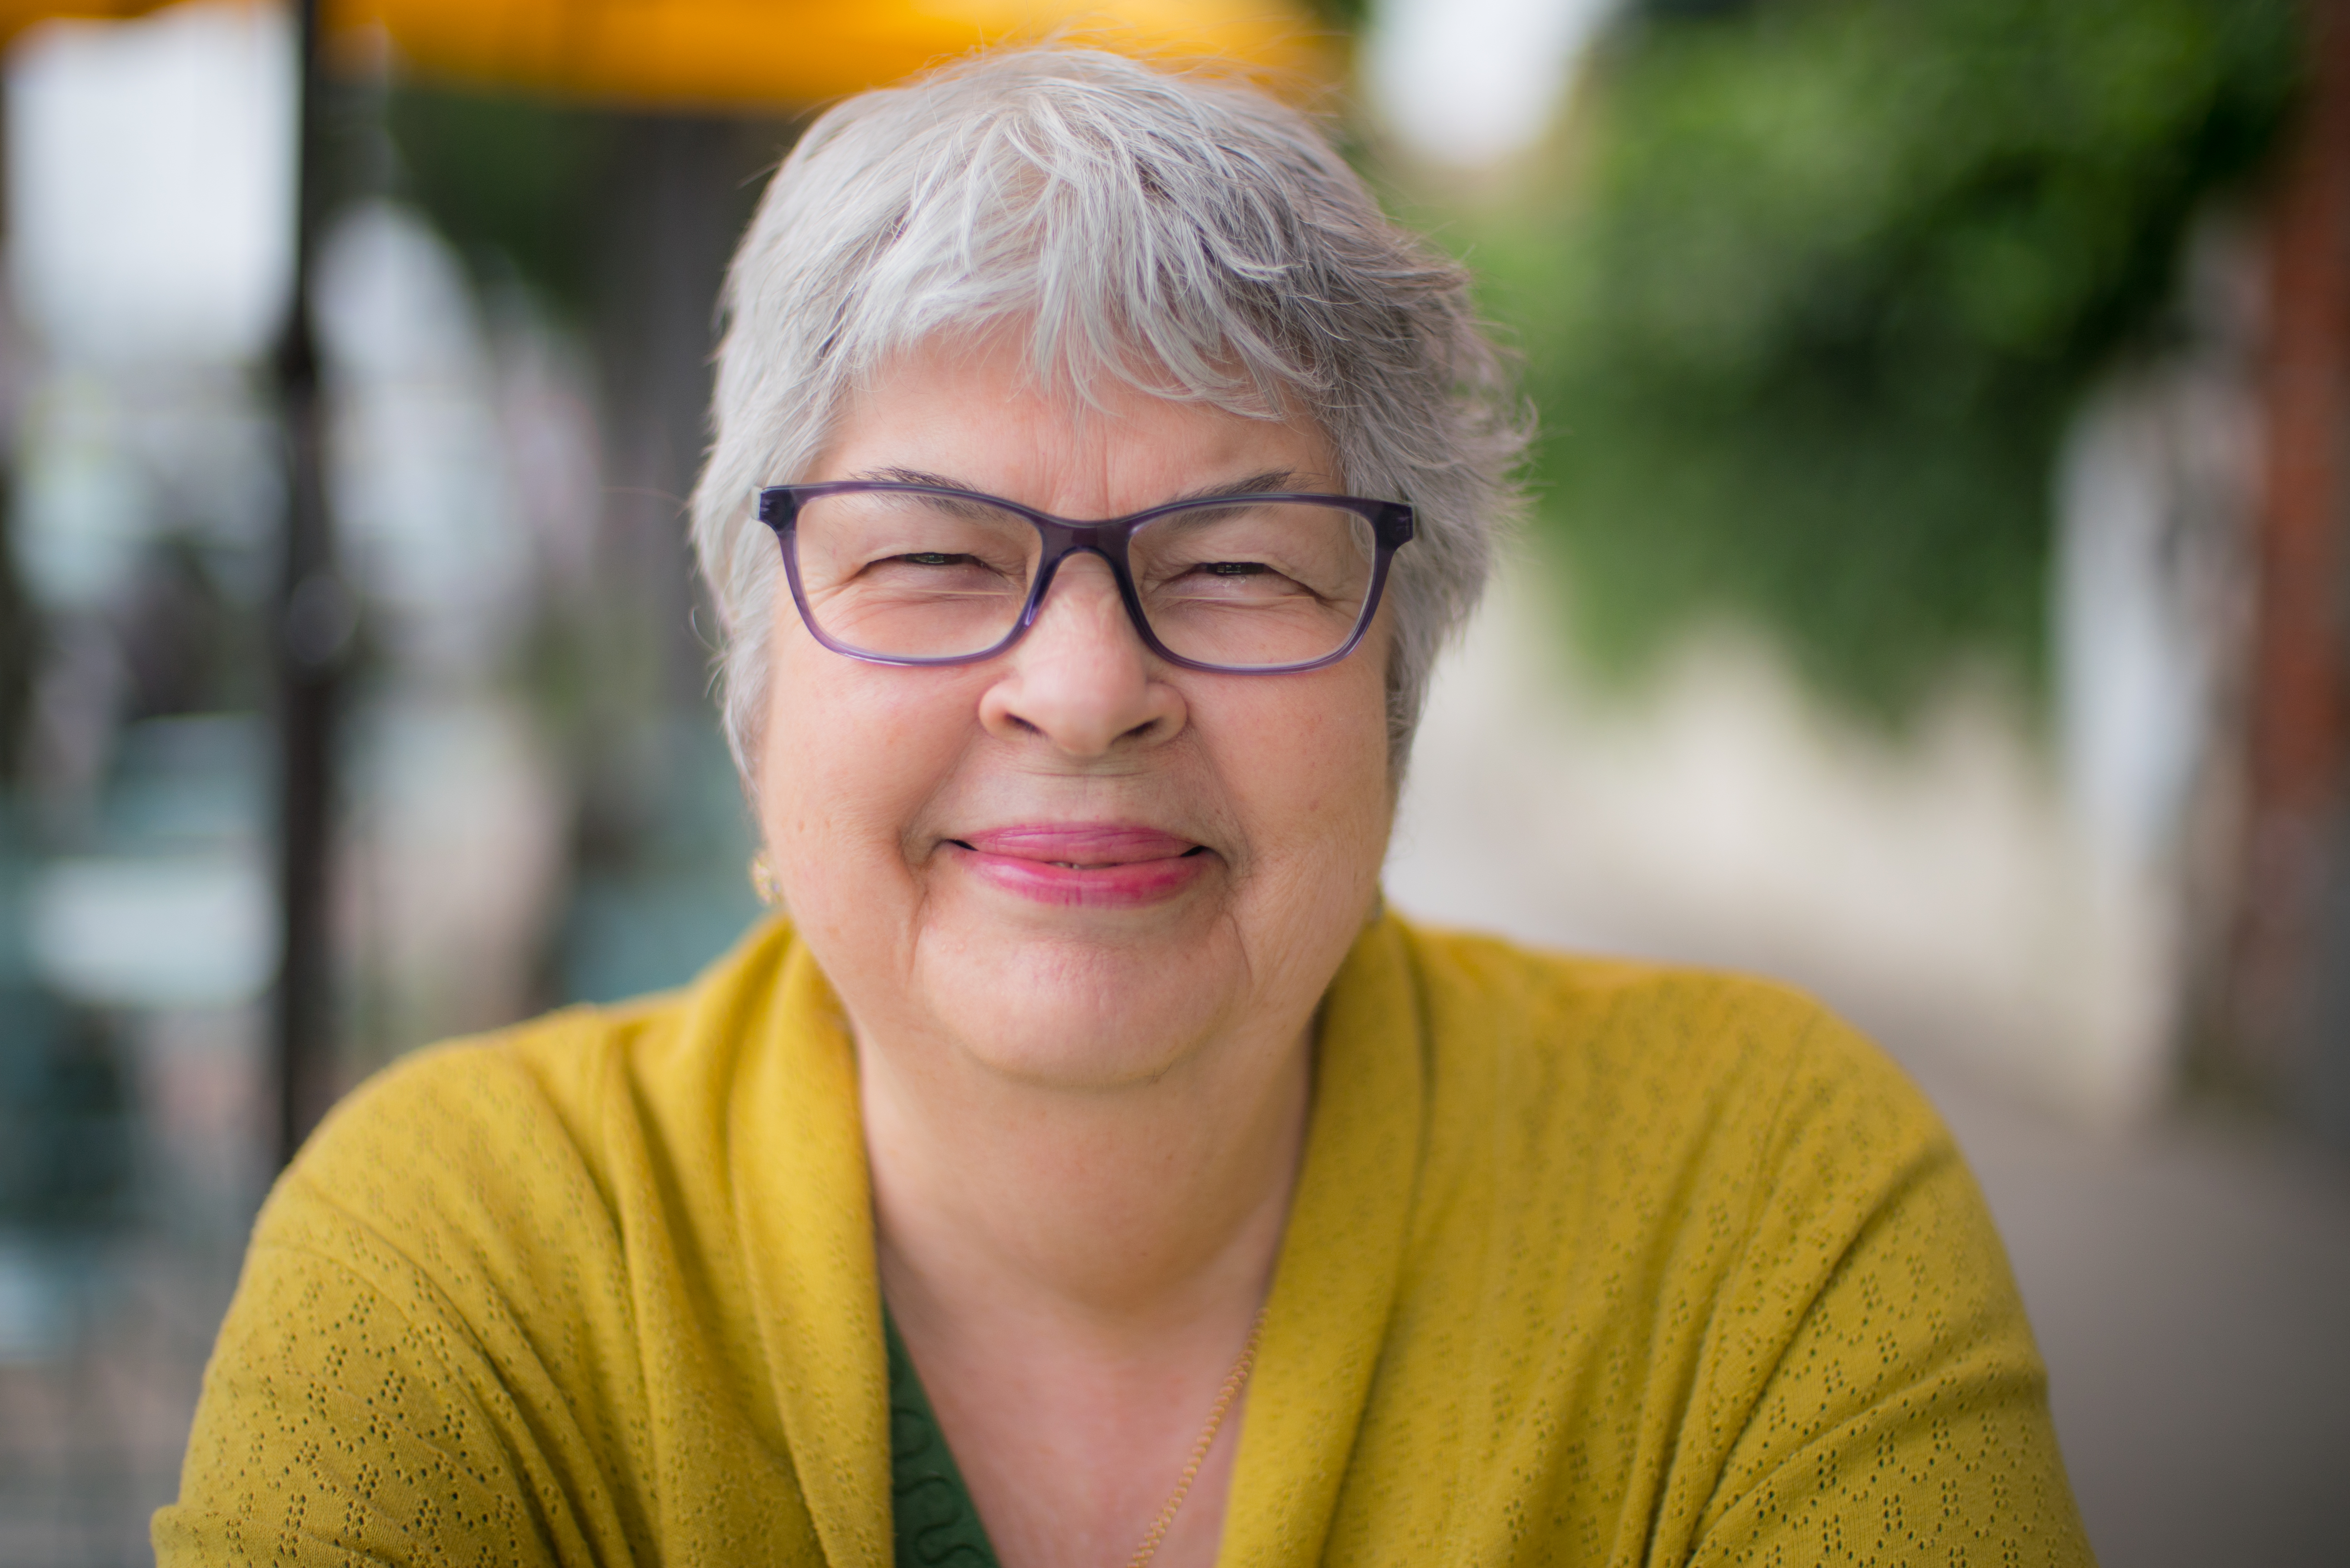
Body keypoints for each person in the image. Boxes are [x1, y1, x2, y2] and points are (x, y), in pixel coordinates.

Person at [156, 47, 2093, 1568]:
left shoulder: (1757, 1215)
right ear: (756, 689)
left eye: (1238, 565)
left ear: (1394, 686)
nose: (1082, 690)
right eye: (926, 556)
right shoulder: (461, 1264)